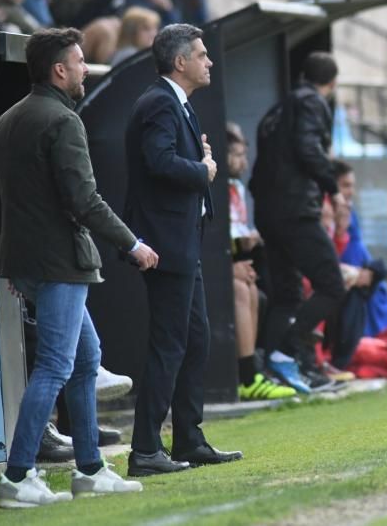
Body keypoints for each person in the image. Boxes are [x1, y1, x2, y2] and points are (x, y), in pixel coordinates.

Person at [0, 27, 156, 508]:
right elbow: (85, 201)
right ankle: (17, 478)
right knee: (58, 365)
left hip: (30, 263)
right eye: (79, 62)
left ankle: (91, 469)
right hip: (61, 263)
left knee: (84, 359)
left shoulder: (7, 120)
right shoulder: (61, 120)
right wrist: (132, 243)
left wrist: (8, 258)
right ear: (60, 70)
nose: (84, 69)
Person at [123, 24, 243, 475]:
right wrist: (203, 168)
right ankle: (146, 450)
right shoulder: (158, 101)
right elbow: (159, 162)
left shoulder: (175, 102)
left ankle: (188, 439)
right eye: (202, 54)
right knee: (170, 345)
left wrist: (200, 162)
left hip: (181, 241)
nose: (209, 61)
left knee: (195, 340)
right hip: (166, 242)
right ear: (180, 62)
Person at [250, 52, 345, 394]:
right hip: (295, 210)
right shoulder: (313, 103)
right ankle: (291, 349)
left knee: (287, 292)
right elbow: (308, 149)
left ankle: (281, 366)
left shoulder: (278, 108)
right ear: (331, 83)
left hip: (268, 210)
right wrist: (333, 189)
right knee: (332, 284)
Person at [226, 129, 296, 401]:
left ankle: (252, 372)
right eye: (238, 155)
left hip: (235, 260)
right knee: (242, 290)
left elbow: (238, 232)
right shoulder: (215, 186)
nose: (243, 162)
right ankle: (246, 376)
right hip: (211, 270)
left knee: (254, 289)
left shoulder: (238, 188)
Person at [334, 160, 387, 337]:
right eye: (345, 185)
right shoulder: (328, 213)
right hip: (352, 279)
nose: (351, 191)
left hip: (368, 280)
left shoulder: (350, 210)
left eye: (352, 185)